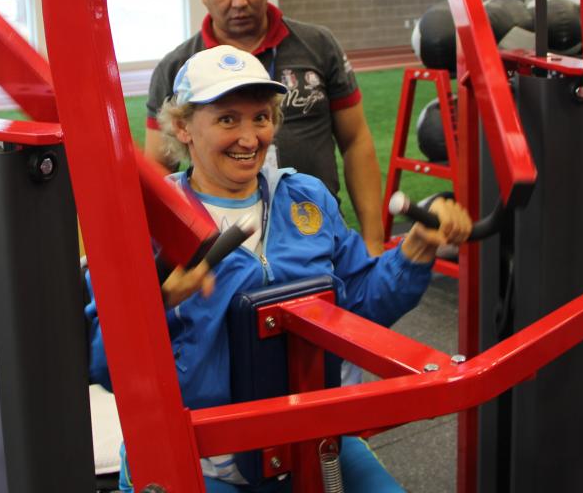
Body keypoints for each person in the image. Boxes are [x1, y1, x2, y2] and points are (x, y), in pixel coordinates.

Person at [89, 45, 473, 492]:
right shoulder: (146, 221)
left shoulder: (305, 197)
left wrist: (416, 251)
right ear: (182, 126)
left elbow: (359, 307)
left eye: (261, 117)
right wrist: (158, 302)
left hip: (309, 438)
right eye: (227, 119)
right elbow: (101, 362)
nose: (250, 138)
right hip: (203, 456)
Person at [145, 0, 389, 256]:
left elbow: (356, 141)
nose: (239, 1)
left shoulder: (318, 46)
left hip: (314, 235)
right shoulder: (177, 68)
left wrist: (374, 241)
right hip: (222, 252)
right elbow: (159, 169)